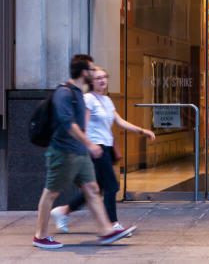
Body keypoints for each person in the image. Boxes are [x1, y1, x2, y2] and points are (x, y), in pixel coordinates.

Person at [33, 55, 135, 249]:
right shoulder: (65, 93)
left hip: (79, 152)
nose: (94, 72)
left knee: (93, 189)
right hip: (63, 152)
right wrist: (90, 144)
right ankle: (40, 235)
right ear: (83, 72)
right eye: (91, 69)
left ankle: (106, 231)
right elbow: (68, 124)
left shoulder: (79, 93)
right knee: (51, 193)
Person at [50, 66, 156, 234]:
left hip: (105, 148)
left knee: (97, 188)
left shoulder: (106, 100)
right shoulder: (88, 99)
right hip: (95, 148)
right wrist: (88, 145)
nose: (102, 80)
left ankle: (63, 211)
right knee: (111, 185)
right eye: (98, 78)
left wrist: (143, 131)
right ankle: (112, 224)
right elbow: (82, 124)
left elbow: (120, 121)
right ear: (91, 81)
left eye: (104, 77)